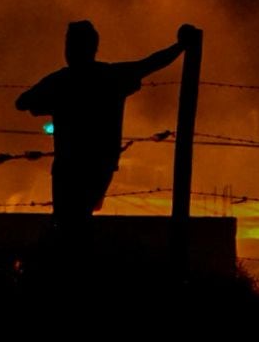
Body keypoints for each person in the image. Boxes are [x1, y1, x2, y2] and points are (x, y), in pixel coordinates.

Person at [16, 21, 192, 259]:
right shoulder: (110, 76)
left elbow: (23, 102)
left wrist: (52, 104)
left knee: (67, 225)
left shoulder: (61, 80)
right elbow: (150, 63)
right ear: (94, 48)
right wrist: (180, 46)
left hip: (69, 165)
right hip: (100, 164)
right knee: (79, 221)